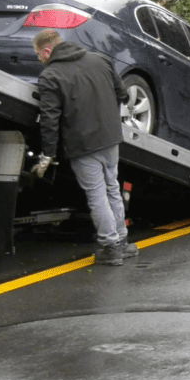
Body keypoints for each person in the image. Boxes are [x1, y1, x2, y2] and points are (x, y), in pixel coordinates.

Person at [29, 29, 137, 266]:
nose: (39, 59)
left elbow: (50, 119)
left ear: (47, 51)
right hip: (111, 138)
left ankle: (110, 248)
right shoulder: (100, 59)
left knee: (97, 195)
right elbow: (122, 94)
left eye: (38, 54)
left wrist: (48, 154)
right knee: (112, 189)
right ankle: (122, 242)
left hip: (83, 144)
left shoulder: (51, 75)